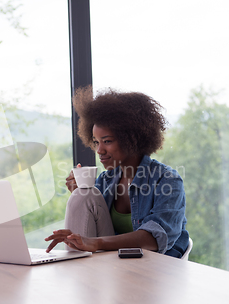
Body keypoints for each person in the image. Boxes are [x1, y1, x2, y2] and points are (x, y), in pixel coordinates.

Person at [45, 86, 189, 258]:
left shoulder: (167, 180)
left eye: (107, 141)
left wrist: (96, 242)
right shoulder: (105, 180)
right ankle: (77, 272)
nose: (99, 150)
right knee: (83, 196)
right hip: (112, 265)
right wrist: (79, 193)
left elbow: (154, 239)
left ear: (132, 138)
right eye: (96, 142)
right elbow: (92, 228)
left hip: (155, 267)